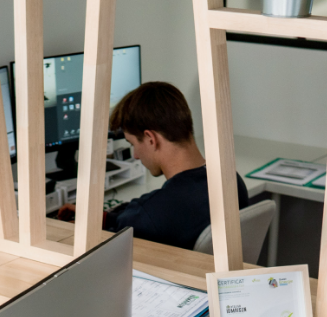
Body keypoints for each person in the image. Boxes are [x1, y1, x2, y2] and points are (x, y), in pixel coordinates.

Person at [100, 81, 250, 250]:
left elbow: (130, 226)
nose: (135, 155)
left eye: (133, 143)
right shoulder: (232, 181)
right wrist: (106, 217)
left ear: (151, 139)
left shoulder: (152, 214)